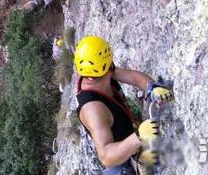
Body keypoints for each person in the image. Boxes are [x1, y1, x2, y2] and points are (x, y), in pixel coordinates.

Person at [74, 36, 174, 174]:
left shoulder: (101, 70)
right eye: (109, 66)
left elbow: (133, 77)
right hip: (119, 162)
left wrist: (152, 88)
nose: (112, 69)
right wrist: (138, 136)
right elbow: (106, 157)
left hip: (129, 136)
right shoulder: (93, 109)